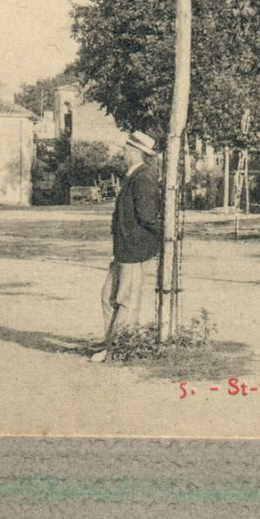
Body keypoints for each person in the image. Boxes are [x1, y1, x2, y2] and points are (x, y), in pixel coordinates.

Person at [90, 130, 163, 362]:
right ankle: (112, 343)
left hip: (134, 249)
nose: (123, 153)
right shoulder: (133, 175)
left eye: (126, 149)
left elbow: (148, 216)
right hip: (124, 250)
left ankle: (119, 351)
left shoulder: (144, 177)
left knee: (126, 300)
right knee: (108, 297)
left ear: (135, 152)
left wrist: (159, 238)